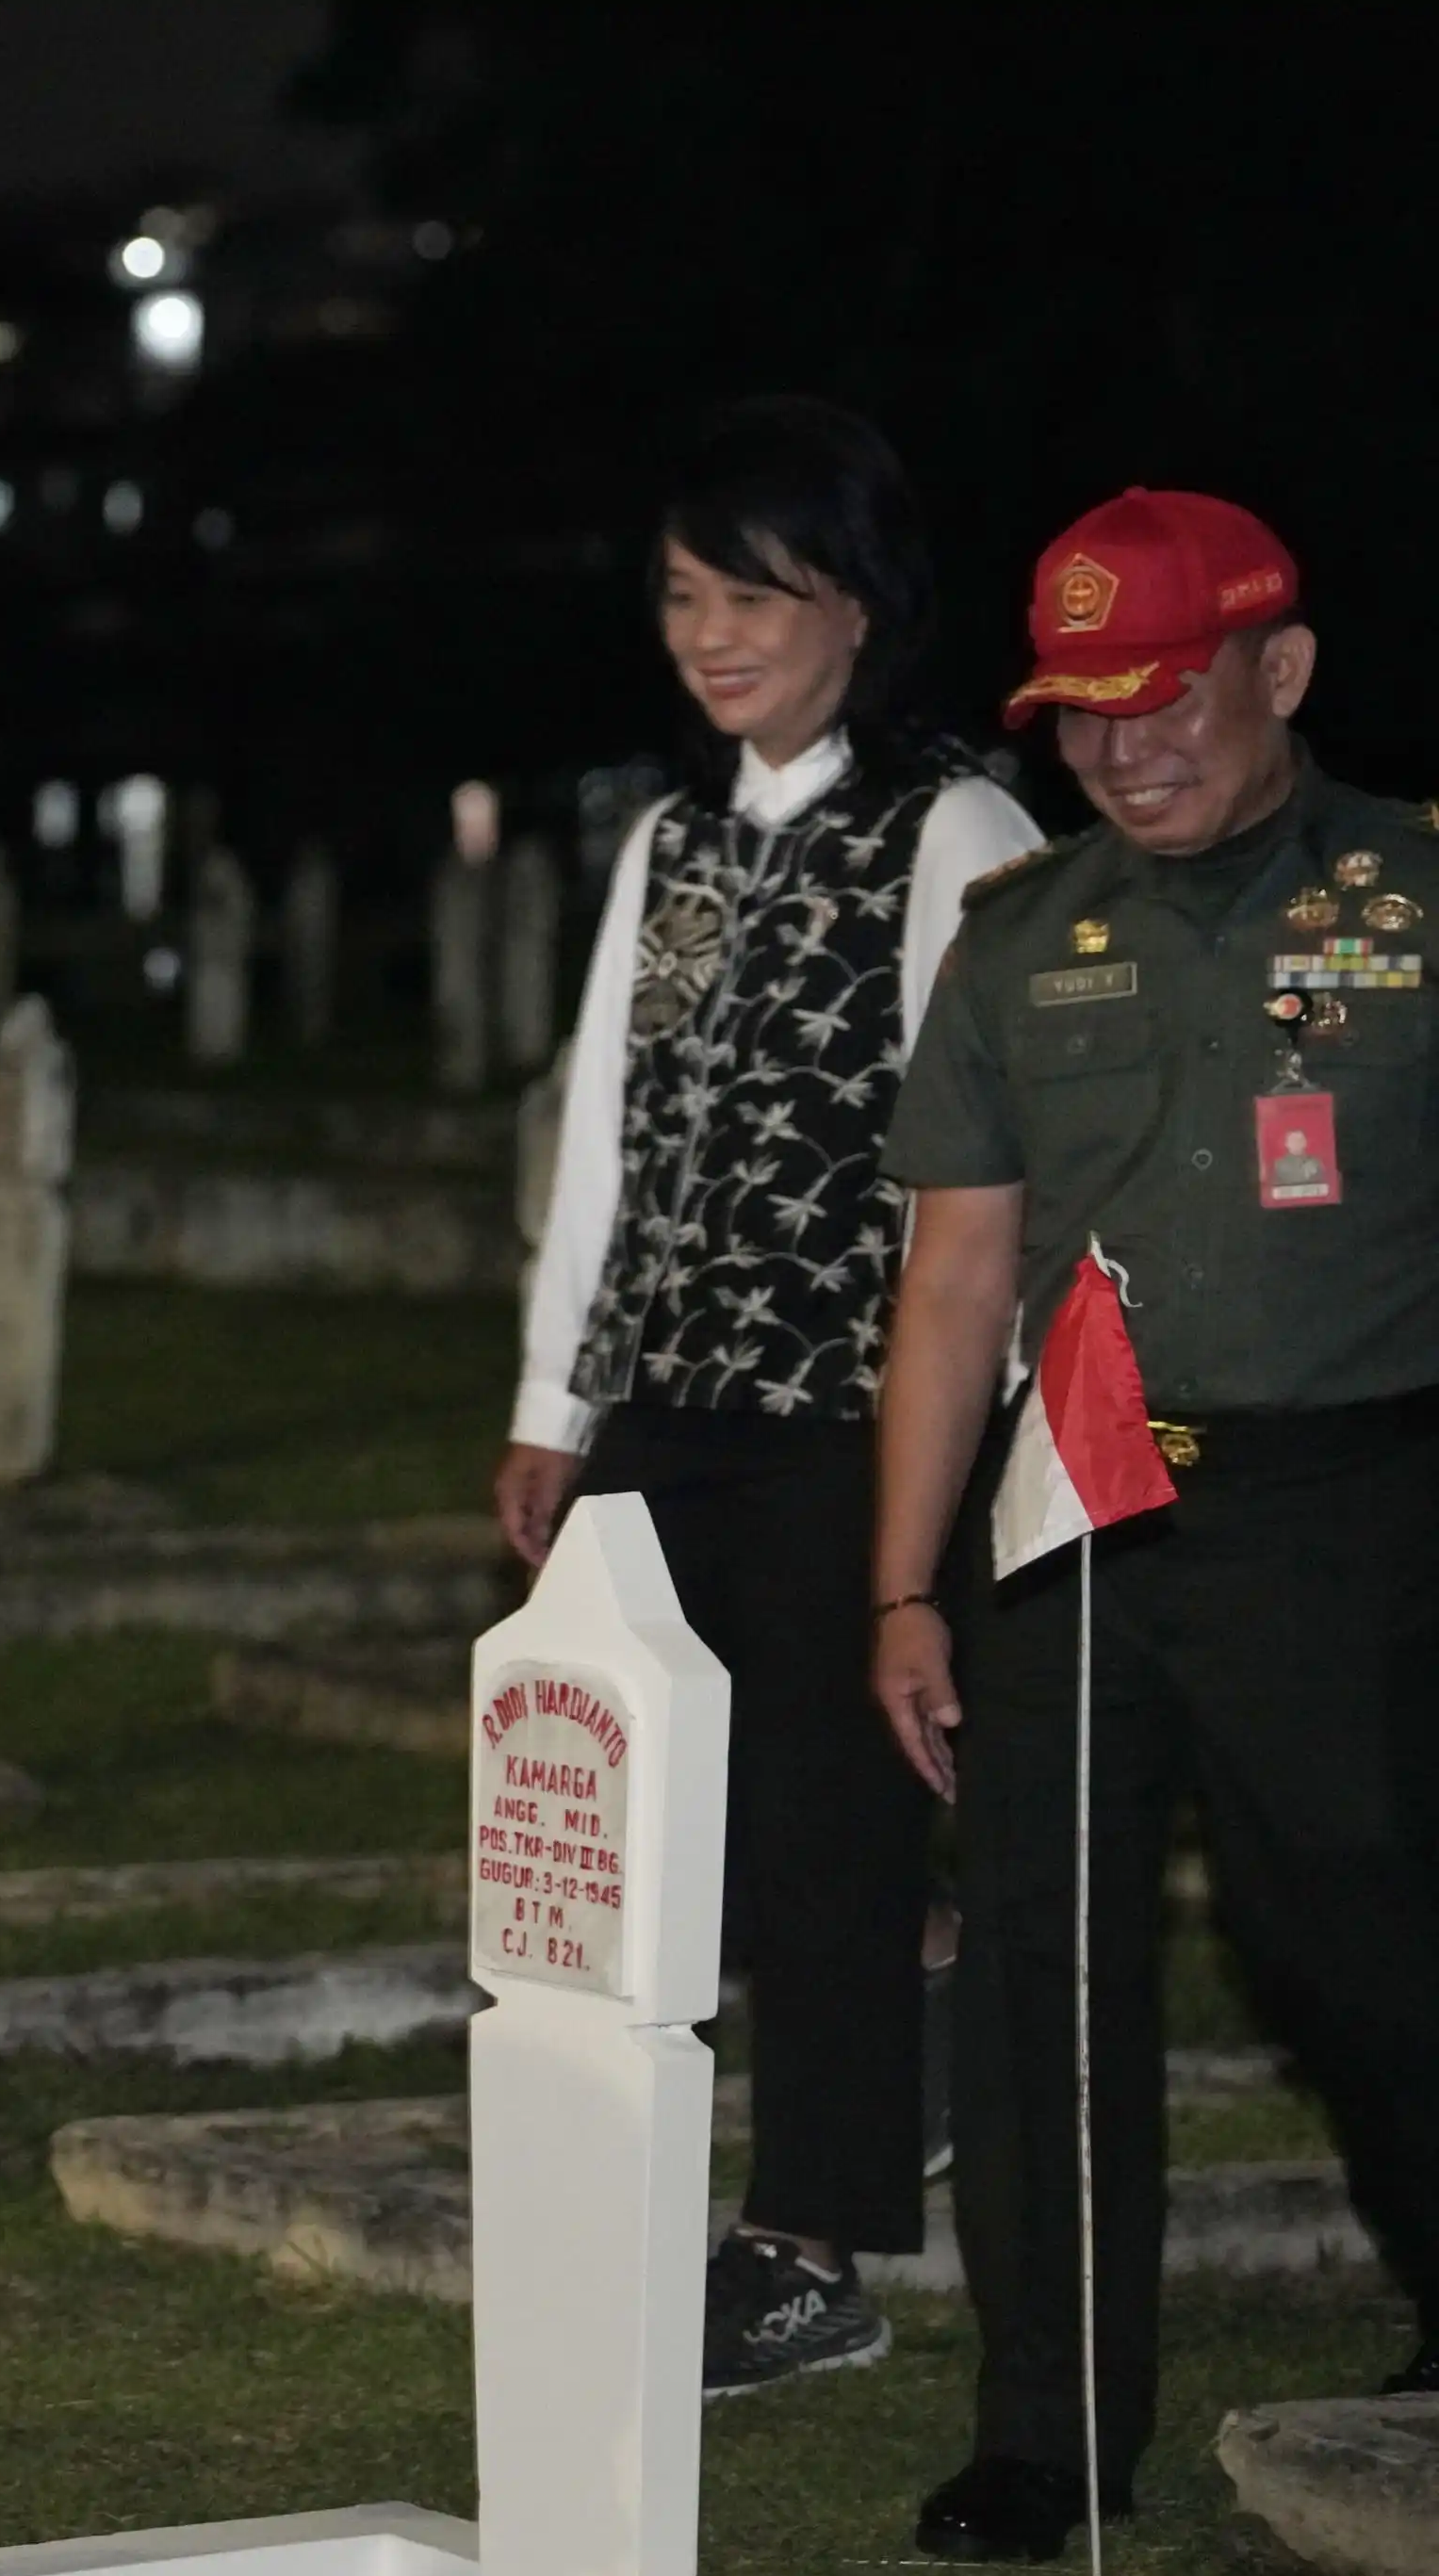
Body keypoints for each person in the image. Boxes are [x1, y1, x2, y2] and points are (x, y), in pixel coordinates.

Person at [874, 489, 1439, 2561]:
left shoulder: (1414, 896)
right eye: (1081, 714)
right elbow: (950, 1280)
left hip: (1351, 1509)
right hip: (1073, 1505)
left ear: (1277, 672)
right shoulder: (1019, 942)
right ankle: (1047, 2431)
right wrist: (898, 1584)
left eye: (1165, 693)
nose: (1125, 747)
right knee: (1041, 1972)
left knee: (1358, 1943)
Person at [496, 399, 1040, 2393]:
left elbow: (986, 1182)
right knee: (647, 1799)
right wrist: (559, 1396)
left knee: (822, 1819)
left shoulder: (958, 834)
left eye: (754, 593)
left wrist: (954, 1446)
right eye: (681, 595)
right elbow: (603, 1137)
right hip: (668, 1393)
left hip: (852, 1411)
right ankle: (908, 2011)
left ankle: (802, 2250)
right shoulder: (673, 836)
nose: (710, 633)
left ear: (859, 606)